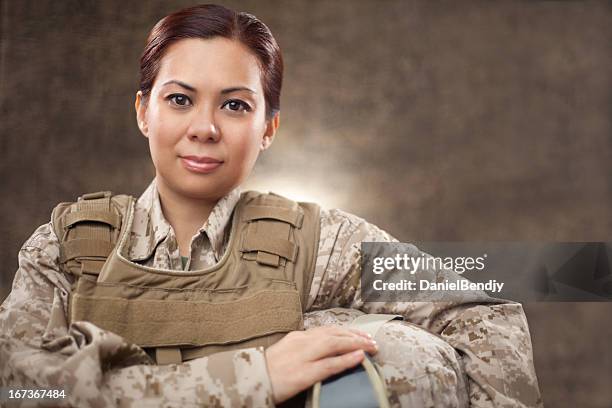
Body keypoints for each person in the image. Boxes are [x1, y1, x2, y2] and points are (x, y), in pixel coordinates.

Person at [0, 4, 542, 407]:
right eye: (180, 99)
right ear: (144, 112)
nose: (205, 128)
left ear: (268, 128)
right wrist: (255, 377)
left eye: (235, 105)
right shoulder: (69, 248)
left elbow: (480, 310)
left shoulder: (316, 242)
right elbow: (21, 392)